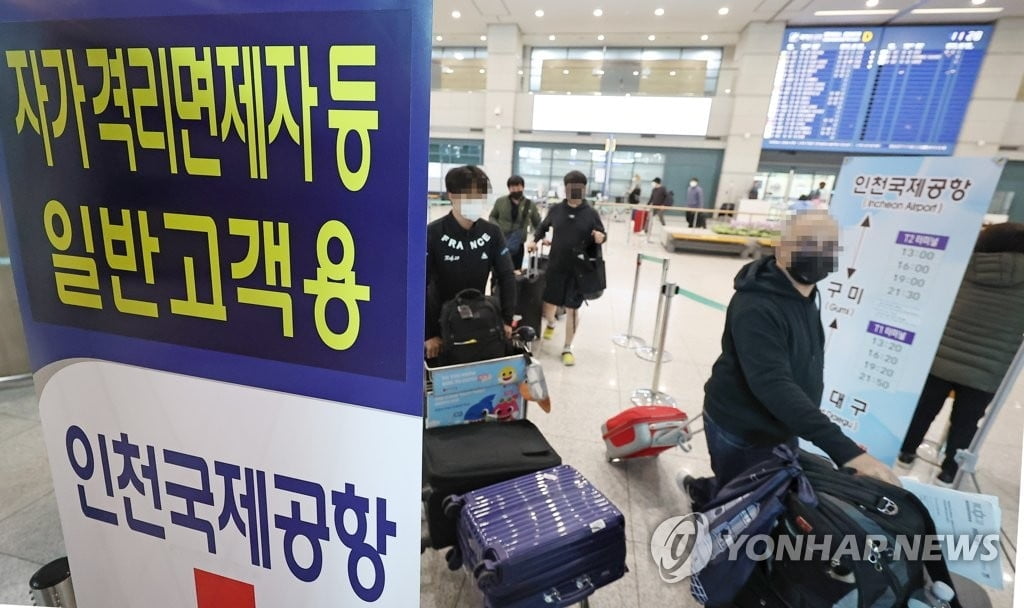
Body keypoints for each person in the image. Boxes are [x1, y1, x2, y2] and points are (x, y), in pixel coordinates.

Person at [682, 211, 899, 509]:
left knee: (750, 487)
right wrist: (846, 451)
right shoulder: (757, 304)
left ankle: (710, 490)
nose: (820, 253)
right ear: (782, 247)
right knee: (740, 502)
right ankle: (711, 516)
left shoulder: (805, 293)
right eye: (809, 242)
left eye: (829, 246)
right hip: (743, 428)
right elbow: (773, 384)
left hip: (778, 426)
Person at [897, 222, 1024, 485]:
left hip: (941, 357)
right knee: (966, 423)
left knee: (923, 410)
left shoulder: (964, 266)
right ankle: (949, 473)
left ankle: (905, 453)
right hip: (989, 370)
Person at [424, 166, 517, 360]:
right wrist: (428, 333)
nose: (475, 202)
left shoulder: (491, 233)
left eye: (480, 196)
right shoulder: (433, 233)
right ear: (451, 195)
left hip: (478, 323)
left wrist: (506, 320)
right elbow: (418, 285)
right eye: (468, 196)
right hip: (440, 327)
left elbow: (507, 276)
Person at [528, 170, 607, 366]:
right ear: (565, 188)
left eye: (579, 188)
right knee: (549, 303)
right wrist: (535, 240)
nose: (574, 191)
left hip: (578, 270)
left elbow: (602, 234)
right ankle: (552, 322)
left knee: (573, 309)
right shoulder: (556, 210)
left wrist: (601, 237)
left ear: (584, 189)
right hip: (556, 266)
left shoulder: (590, 213)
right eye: (571, 187)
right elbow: (542, 227)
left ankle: (567, 347)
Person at [489, 175, 542, 270]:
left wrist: (539, 239)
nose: (516, 190)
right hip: (500, 242)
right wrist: (497, 229)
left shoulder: (530, 205)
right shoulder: (500, 202)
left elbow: (538, 223)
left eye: (518, 187)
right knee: (497, 271)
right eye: (513, 187)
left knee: (516, 272)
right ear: (509, 188)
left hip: (518, 245)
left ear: (523, 187)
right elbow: (492, 216)